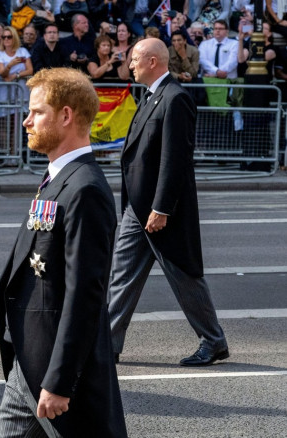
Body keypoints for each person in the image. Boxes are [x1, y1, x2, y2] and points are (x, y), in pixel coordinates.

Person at [0, 67, 127, 438]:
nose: (26, 121)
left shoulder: (84, 188)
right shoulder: (58, 177)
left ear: (66, 115)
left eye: (36, 112)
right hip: (32, 353)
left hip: (53, 362)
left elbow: (85, 294)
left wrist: (59, 381)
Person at [108, 38, 229, 366]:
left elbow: (175, 160)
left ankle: (213, 341)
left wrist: (162, 208)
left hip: (161, 210)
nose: (130, 65)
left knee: (183, 275)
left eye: (134, 59)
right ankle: (106, 344)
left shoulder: (175, 98)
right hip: (138, 206)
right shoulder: (152, 96)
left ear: (151, 61)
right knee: (121, 275)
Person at [0, 26, 33, 166]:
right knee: (4, 125)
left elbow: (30, 69)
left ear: (14, 37)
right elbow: (2, 74)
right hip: (4, 93)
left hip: (20, 93)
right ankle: (6, 155)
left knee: (17, 125)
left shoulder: (22, 51)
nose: (6, 40)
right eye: (3, 37)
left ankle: (16, 155)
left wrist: (15, 75)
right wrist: (9, 65)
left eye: (9, 37)